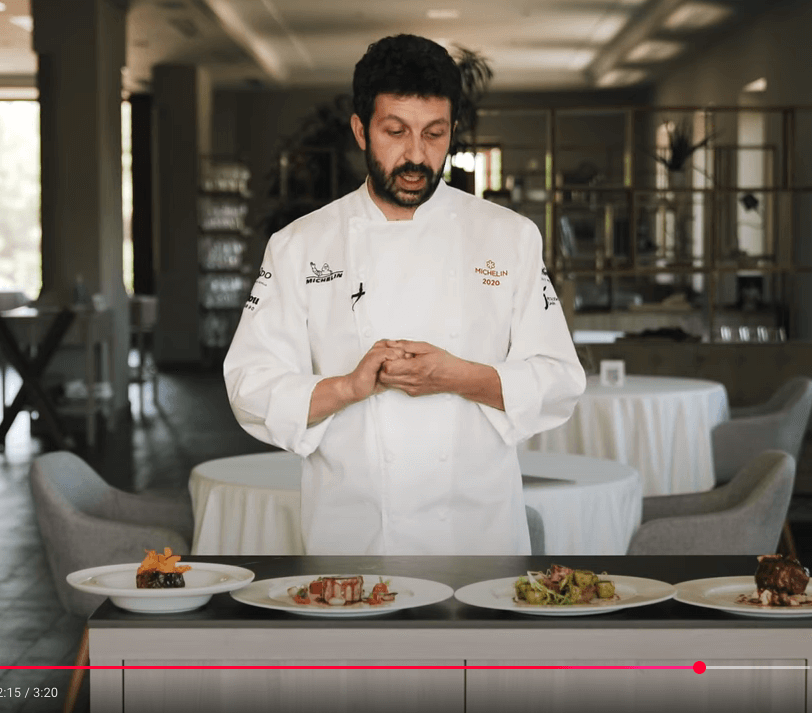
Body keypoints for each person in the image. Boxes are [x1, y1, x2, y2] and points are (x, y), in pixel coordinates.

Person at [223, 34, 585, 556]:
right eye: (395, 132)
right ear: (360, 131)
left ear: (452, 132)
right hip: (352, 532)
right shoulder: (300, 244)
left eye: (434, 134)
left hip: (477, 533)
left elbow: (560, 381)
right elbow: (249, 386)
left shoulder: (509, 237)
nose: (416, 155)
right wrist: (348, 387)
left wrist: (458, 376)